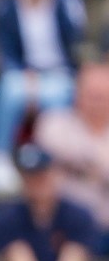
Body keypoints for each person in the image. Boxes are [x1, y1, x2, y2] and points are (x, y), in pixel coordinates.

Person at [0, 0, 83, 190]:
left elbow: (76, 37)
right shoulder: (5, 5)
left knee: (58, 96)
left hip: (59, 72)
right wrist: (24, 74)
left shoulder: (63, 0)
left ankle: (53, 160)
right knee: (10, 91)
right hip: (22, 72)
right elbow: (3, 49)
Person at [34, 62, 109, 226]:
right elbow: (49, 146)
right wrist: (99, 162)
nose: (96, 103)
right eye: (91, 95)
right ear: (77, 94)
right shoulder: (54, 121)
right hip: (64, 225)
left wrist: (77, 164)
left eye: (102, 97)